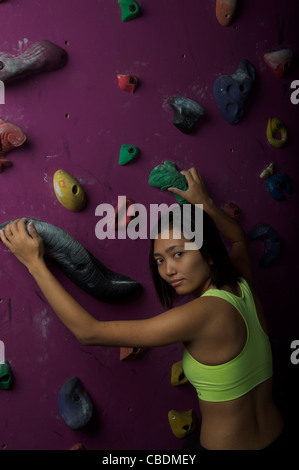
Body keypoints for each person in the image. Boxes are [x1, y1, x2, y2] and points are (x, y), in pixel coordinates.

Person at [0, 167, 285, 450]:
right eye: (160, 260)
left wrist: (35, 264)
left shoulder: (204, 313)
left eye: (178, 254)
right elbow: (238, 239)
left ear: (208, 254)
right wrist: (205, 204)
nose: (169, 270)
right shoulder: (241, 283)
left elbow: (89, 332)